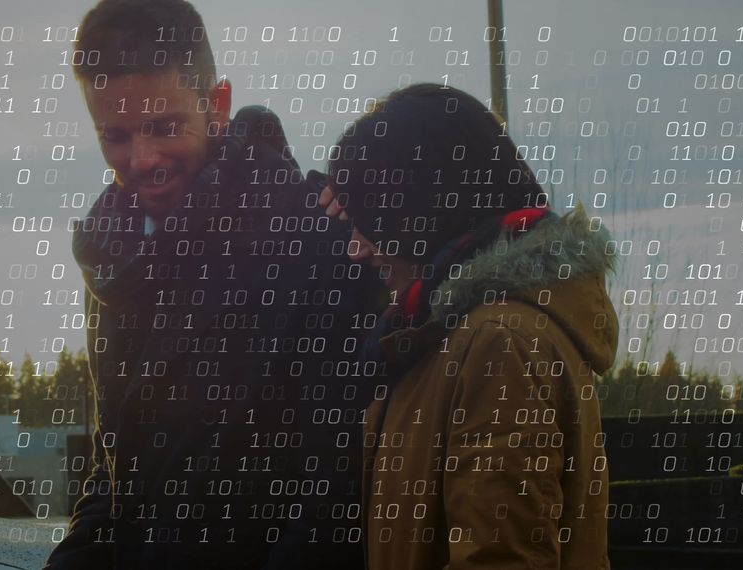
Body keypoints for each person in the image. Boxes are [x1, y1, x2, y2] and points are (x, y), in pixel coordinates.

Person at [46, 1, 380, 568]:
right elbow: (115, 473)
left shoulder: (315, 243)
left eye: (164, 128)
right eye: (116, 136)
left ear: (217, 105)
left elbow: (332, 497)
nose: (143, 159)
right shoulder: (111, 261)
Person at [318, 83, 618, 569]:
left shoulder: (498, 344)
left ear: (420, 212)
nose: (357, 248)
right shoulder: (445, 341)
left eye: (370, 221)